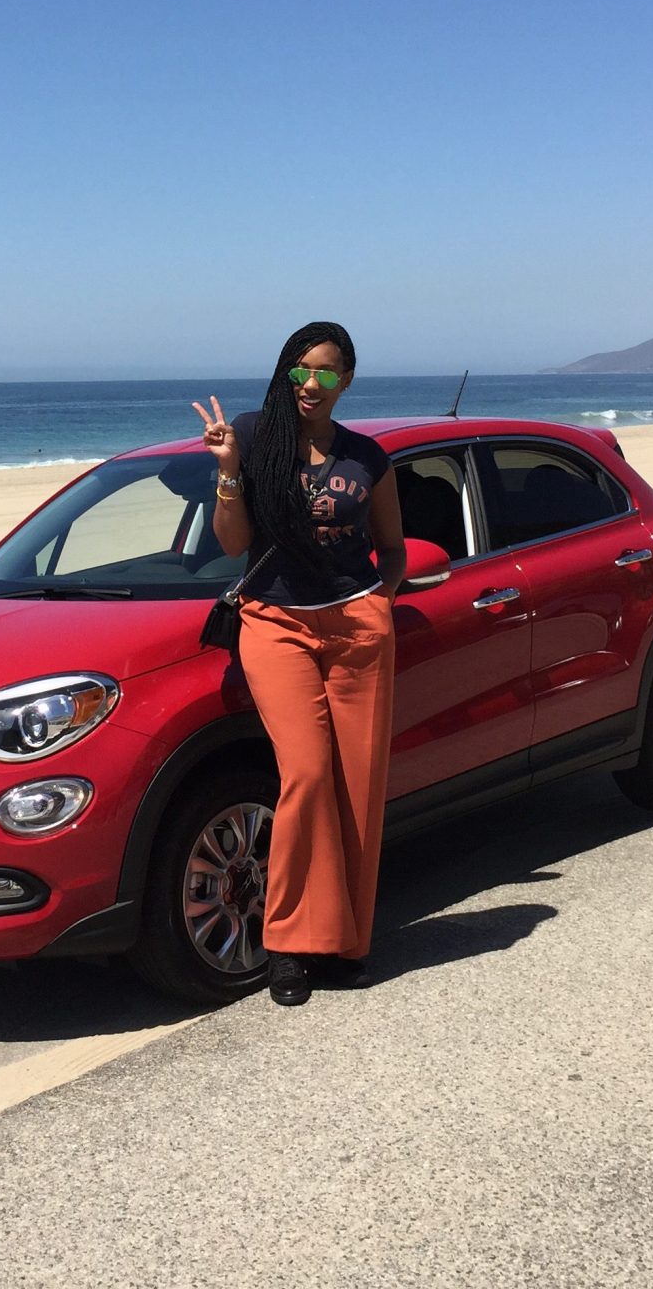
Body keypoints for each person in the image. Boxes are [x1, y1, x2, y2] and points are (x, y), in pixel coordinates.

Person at [191, 320, 405, 1007]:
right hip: (277, 624)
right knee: (307, 777)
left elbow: (393, 550)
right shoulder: (254, 437)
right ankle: (287, 943)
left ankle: (343, 944)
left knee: (358, 788)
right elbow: (233, 544)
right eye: (300, 370)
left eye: (326, 372)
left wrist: (378, 604)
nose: (311, 383)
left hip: (356, 628)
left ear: (346, 380)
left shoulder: (367, 457)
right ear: (287, 373)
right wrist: (228, 470)